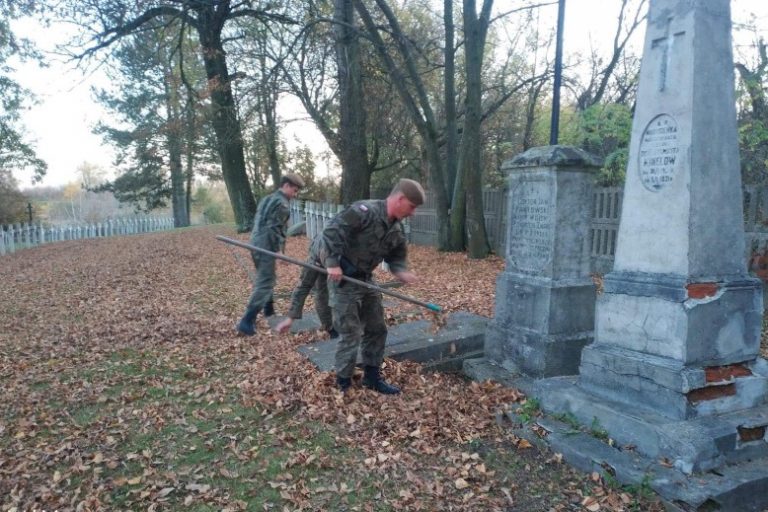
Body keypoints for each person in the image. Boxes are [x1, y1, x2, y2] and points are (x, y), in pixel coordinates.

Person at [322, 178, 425, 394]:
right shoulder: (363, 211)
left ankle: (372, 377)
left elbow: (396, 257)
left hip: (366, 279)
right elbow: (332, 231)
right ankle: (343, 383)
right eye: (412, 207)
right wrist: (332, 263)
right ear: (400, 199)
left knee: (377, 328)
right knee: (350, 333)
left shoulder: (396, 229)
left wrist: (401, 271)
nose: (413, 213)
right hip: (344, 279)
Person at [236, 173, 305, 336]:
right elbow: (275, 228)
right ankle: (246, 321)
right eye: (294, 191)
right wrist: (278, 251)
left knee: (267, 277)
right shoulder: (282, 204)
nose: (295, 195)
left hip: (256, 243)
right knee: (265, 282)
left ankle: (269, 311)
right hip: (266, 246)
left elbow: (261, 222)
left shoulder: (267, 199)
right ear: (286, 185)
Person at [274, 234, 338, 338]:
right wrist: (290, 318)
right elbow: (303, 286)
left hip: (342, 258)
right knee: (321, 293)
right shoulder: (315, 260)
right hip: (319, 259)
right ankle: (330, 328)